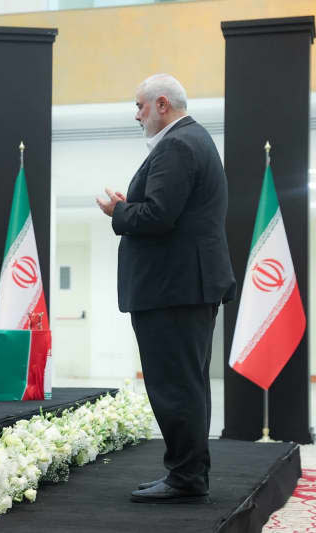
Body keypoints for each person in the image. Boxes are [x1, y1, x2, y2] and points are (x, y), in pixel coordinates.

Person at [96, 74, 236, 504]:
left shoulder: (177, 145)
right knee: (186, 384)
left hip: (174, 289)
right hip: (184, 287)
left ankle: (186, 478)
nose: (137, 116)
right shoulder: (194, 140)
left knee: (175, 386)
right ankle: (188, 474)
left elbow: (158, 216)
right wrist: (130, 207)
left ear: (161, 104)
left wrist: (119, 211)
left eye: (139, 106)